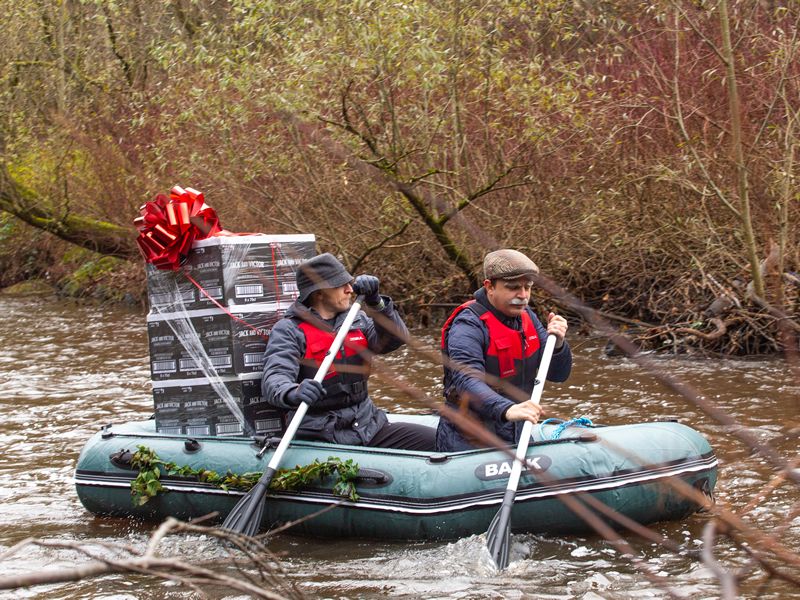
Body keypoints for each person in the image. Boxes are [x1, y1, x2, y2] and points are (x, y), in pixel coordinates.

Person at [261, 252, 436, 450]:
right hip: (321, 435)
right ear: (319, 292)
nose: (349, 290)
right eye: (341, 285)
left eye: (349, 283)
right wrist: (293, 391)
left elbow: (395, 339)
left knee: (438, 441)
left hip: (367, 425)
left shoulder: (356, 319)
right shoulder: (289, 330)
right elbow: (274, 379)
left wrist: (377, 303)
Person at [435, 249, 572, 452]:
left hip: (516, 430)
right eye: (513, 288)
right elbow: (467, 381)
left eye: (527, 287)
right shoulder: (467, 325)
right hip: (469, 438)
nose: (523, 296)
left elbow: (558, 374)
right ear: (490, 287)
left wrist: (559, 344)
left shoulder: (529, 319)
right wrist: (507, 408)